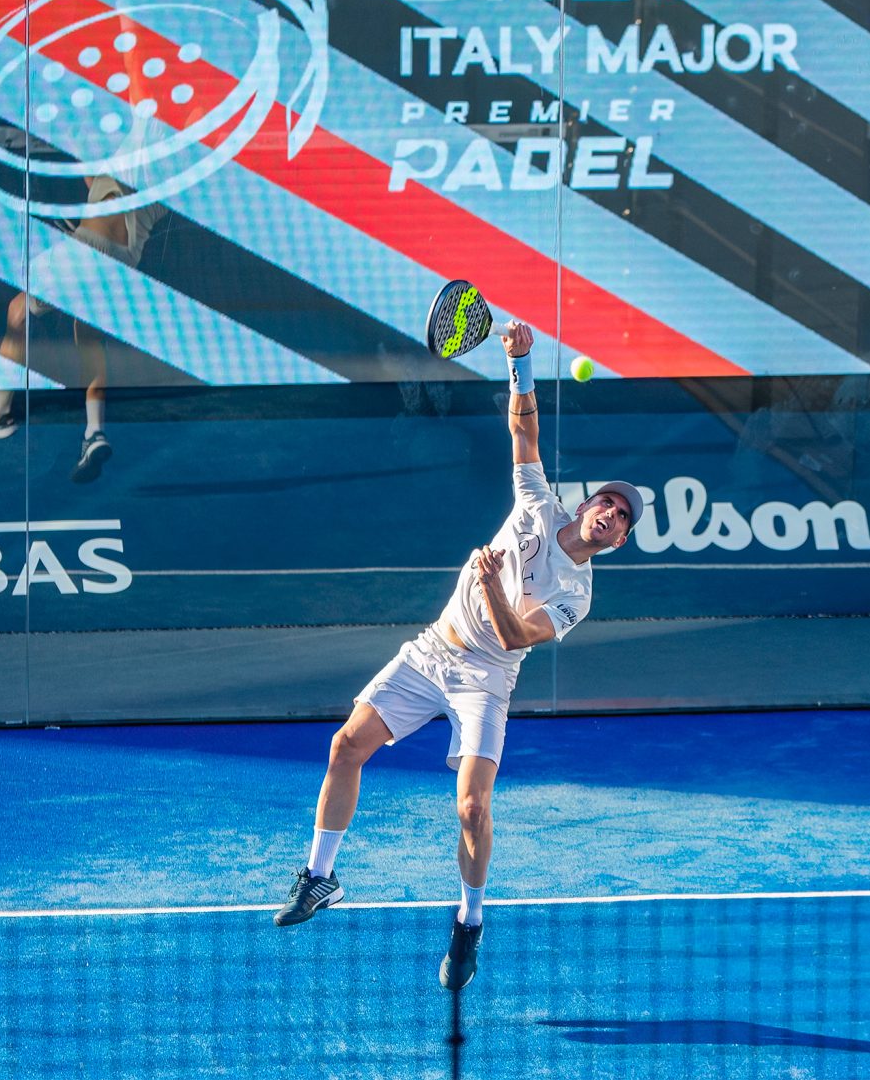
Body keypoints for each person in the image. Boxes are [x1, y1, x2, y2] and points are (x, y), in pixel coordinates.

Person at [271, 321, 644, 991]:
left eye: (621, 516)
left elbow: (514, 637)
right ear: (586, 502)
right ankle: (320, 877)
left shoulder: (577, 594)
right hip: (430, 652)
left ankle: (469, 921)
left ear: (617, 540)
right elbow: (523, 430)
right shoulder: (537, 502)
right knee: (345, 745)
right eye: (606, 502)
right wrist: (521, 362)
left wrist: (489, 580)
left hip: (486, 681)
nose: (610, 513)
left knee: (472, 808)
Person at [0, 174, 162, 482]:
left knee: (18, 311)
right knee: (88, 334)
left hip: (89, 249)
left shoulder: (134, 156)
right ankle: (94, 432)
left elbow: (95, 180)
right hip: (126, 257)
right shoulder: (165, 177)